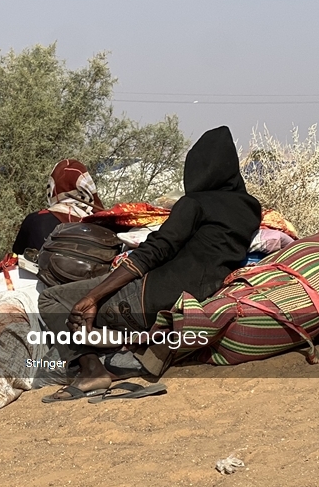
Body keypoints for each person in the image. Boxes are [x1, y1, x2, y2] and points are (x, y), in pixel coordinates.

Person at [38, 126, 261, 401]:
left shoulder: (194, 203)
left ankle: (91, 370)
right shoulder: (250, 208)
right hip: (197, 300)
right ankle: (115, 354)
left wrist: (93, 297)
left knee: (52, 299)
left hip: (152, 297)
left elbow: (153, 252)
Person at [12, 159, 104, 256]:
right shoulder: (104, 225)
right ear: (87, 186)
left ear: (52, 188)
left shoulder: (33, 220)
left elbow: (16, 258)